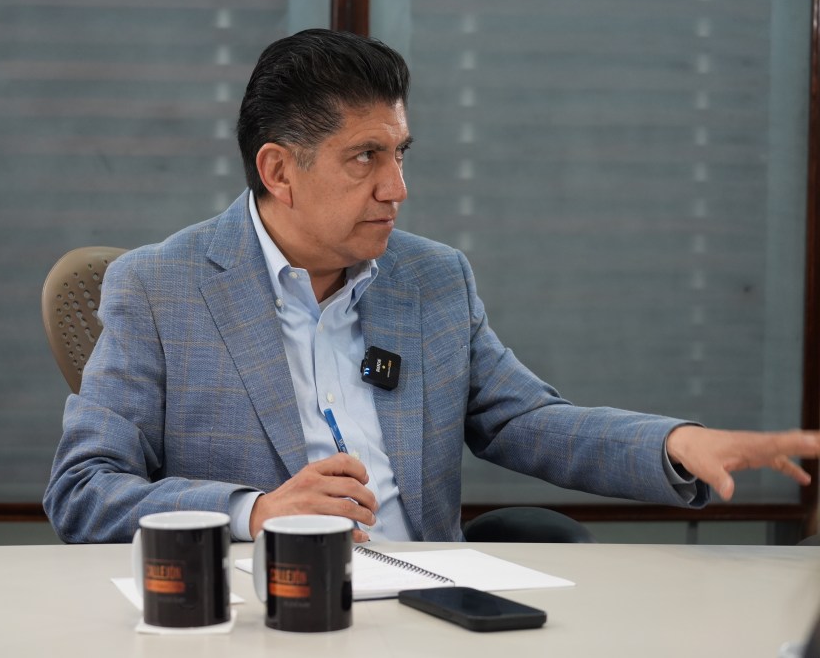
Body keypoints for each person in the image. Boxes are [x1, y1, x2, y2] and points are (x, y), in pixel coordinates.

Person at [43, 29, 820, 544]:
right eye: (365, 158)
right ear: (279, 170)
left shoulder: (432, 277)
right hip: (265, 611)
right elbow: (84, 488)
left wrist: (676, 444)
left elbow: (525, 420)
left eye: (401, 154)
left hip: (429, 607)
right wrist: (256, 511)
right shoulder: (159, 288)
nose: (397, 188)